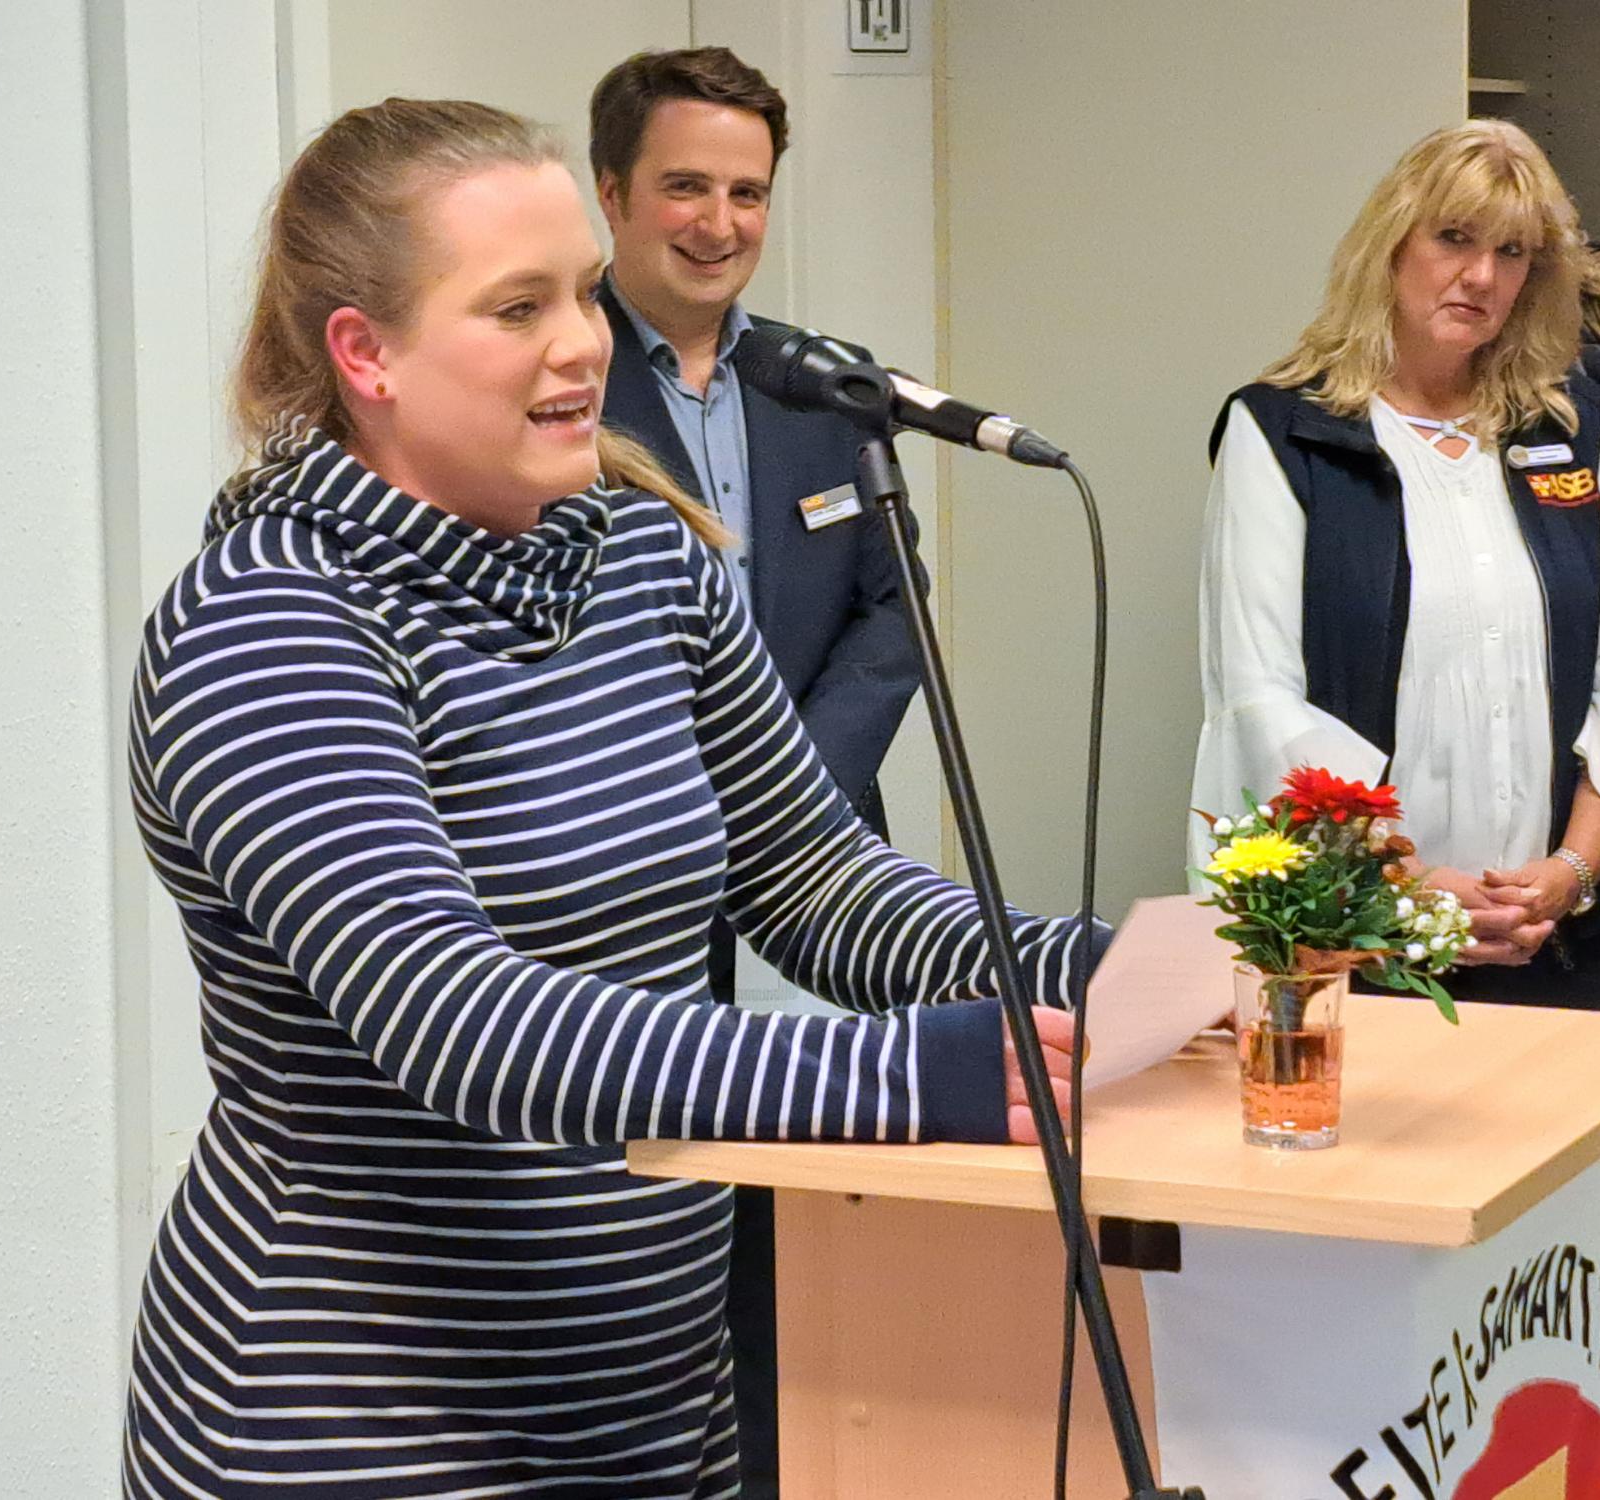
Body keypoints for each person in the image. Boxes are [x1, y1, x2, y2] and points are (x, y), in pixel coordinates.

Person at [120, 99, 1090, 1500]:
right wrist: (905, 1078)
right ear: (364, 353)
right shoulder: (271, 626)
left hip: (651, 1403)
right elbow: (460, 1022)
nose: (582, 343)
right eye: (517, 308)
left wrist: (1097, 972)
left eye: (580, 291)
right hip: (353, 1423)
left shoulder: (639, 555)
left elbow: (813, 885)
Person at [587, 51, 928, 1490]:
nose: (718, 223)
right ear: (611, 192)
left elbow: (890, 618)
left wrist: (782, 791)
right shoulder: (556, 382)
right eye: (684, 186)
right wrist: (700, 803)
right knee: (665, 1205)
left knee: (815, 1225)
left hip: (812, 865)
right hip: (632, 868)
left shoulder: (819, 384)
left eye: (747, 192)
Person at [1192, 119, 1600, 1010]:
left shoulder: (1577, 429)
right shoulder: (1285, 433)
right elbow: (1260, 696)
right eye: (1454, 239)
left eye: (1513, 253)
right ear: (1391, 246)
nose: (1482, 277)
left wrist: (1571, 871)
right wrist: (1409, 885)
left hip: (1567, 935)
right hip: (1356, 937)